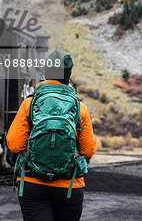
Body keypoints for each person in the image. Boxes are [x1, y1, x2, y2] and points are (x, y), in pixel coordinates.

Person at [6, 50, 96, 221]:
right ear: (68, 75)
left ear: (46, 73)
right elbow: (88, 151)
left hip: (33, 184)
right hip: (69, 186)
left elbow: (15, 144)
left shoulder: (29, 103)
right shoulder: (80, 107)